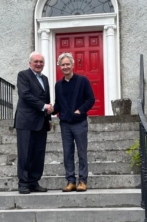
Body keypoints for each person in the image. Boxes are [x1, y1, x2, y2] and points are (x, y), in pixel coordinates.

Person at [53, 52, 95, 192]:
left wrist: (80, 110)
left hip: (79, 123)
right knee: (67, 153)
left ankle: (82, 181)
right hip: (65, 123)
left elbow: (91, 100)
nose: (65, 67)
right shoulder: (58, 85)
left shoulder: (82, 80)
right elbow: (58, 104)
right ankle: (70, 181)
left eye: (67, 64)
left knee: (82, 152)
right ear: (60, 66)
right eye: (62, 65)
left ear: (72, 65)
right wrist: (52, 110)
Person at [14, 51, 53, 194]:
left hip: (41, 122)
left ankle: (34, 181)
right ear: (30, 63)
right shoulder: (23, 75)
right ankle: (23, 183)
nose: (38, 64)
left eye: (41, 62)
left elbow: (46, 99)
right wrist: (43, 107)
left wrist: (48, 119)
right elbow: (25, 95)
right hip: (26, 121)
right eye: (36, 61)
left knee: (38, 153)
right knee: (25, 153)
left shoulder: (45, 79)